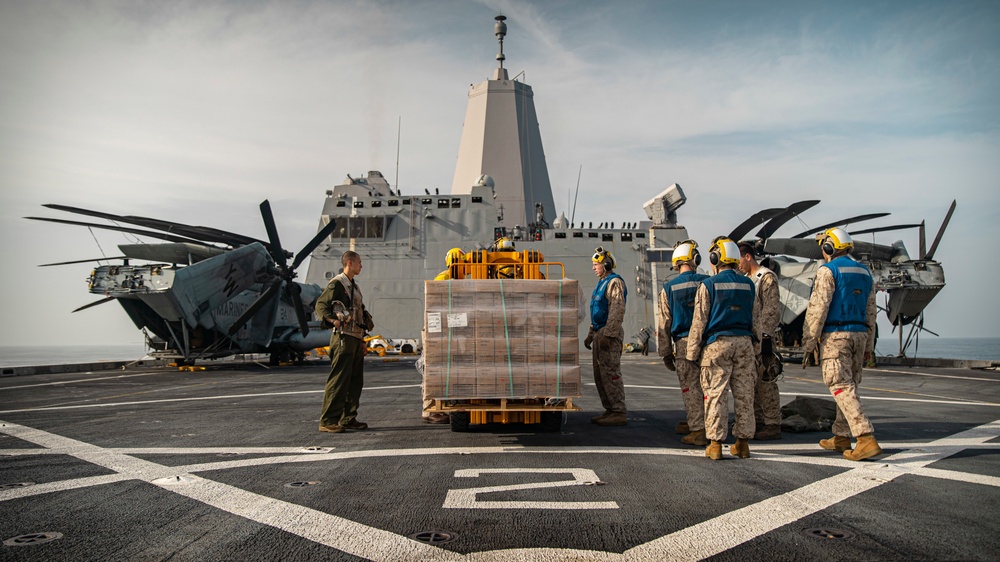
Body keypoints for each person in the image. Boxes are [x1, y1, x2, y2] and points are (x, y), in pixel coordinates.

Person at [801, 228, 882, 461]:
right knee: (850, 385)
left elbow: (818, 309)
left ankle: (865, 438)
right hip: (860, 334)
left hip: (836, 335)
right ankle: (841, 436)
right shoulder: (865, 273)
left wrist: (808, 343)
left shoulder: (828, 271)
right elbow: (871, 313)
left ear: (829, 248)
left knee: (839, 385)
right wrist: (869, 347)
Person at [686, 237, 761, 460]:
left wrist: (691, 353)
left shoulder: (708, 285)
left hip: (717, 344)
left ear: (715, 258)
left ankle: (716, 445)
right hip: (745, 343)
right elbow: (756, 319)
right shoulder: (749, 284)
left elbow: (699, 321)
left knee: (716, 394)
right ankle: (743, 443)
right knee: (745, 394)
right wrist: (757, 347)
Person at [657, 240, 709, 446]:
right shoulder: (708, 282)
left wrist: (665, 352)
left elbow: (664, 323)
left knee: (690, 387)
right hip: (708, 342)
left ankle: (697, 429)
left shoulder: (669, 288)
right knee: (709, 386)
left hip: (684, 343)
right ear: (695, 259)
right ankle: (707, 424)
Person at [315, 251, 373, 433]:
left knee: (355, 381)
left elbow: (359, 314)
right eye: (359, 262)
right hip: (343, 338)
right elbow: (321, 305)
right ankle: (328, 420)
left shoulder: (354, 287)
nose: (361, 266)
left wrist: (362, 340)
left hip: (355, 338)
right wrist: (334, 320)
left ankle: (348, 418)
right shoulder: (338, 284)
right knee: (339, 379)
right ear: (350, 262)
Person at [738, 241, 783, 441]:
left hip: (762, 339)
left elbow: (771, 310)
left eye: (739, 260)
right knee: (751, 382)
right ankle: (757, 420)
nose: (737, 265)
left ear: (748, 257)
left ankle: (773, 423)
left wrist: (765, 336)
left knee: (766, 382)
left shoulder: (765, 278)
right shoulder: (746, 279)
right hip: (750, 339)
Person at [585, 246, 628, 426]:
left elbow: (616, 311)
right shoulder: (601, 283)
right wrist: (590, 335)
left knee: (610, 372)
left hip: (608, 334)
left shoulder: (614, 282)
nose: (594, 267)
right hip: (599, 332)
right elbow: (597, 313)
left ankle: (618, 410)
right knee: (600, 374)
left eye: (597, 264)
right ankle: (610, 409)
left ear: (607, 264)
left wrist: (608, 335)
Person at [423, 248, 464, 424]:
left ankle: (442, 406)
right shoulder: (445, 278)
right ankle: (430, 411)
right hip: (438, 330)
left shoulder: (459, 280)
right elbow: (439, 307)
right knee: (434, 369)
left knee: (447, 369)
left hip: (448, 329)